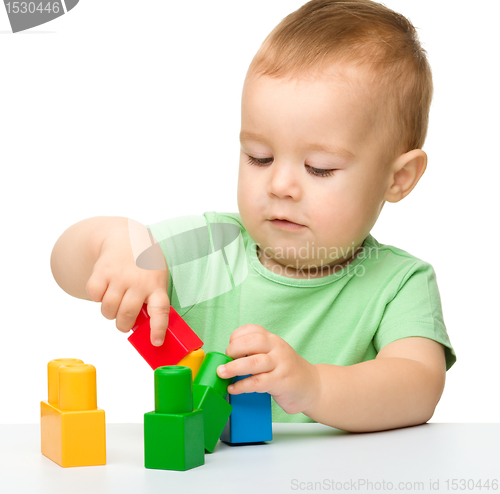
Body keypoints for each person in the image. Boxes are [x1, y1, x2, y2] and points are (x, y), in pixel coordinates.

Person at [50, 0, 456, 433]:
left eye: (319, 167)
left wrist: (314, 386)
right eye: (259, 157)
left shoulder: (398, 283)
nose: (280, 185)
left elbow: (419, 387)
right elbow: (65, 267)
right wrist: (117, 241)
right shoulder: (213, 245)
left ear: (399, 178)